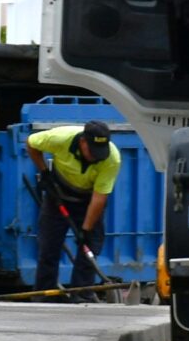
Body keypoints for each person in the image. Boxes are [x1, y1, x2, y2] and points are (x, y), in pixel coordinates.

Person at [26, 119, 121, 291]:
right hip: (58, 196)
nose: (95, 156)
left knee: (89, 247)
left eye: (99, 152)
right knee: (48, 247)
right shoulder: (60, 138)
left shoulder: (111, 159)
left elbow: (99, 198)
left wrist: (85, 230)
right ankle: (44, 295)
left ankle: (82, 294)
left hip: (89, 200)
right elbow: (31, 143)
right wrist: (45, 172)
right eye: (92, 151)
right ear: (83, 141)